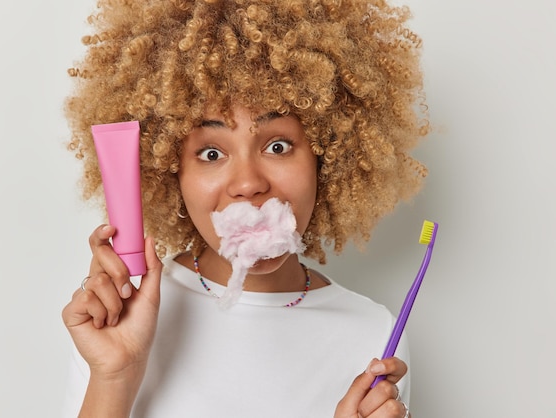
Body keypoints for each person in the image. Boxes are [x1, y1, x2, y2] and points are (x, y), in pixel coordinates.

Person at [61, 1, 429, 417]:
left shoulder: (376, 338)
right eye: (212, 152)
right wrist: (116, 376)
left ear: (326, 158)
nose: (249, 183)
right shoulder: (121, 319)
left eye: (277, 146)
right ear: (169, 170)